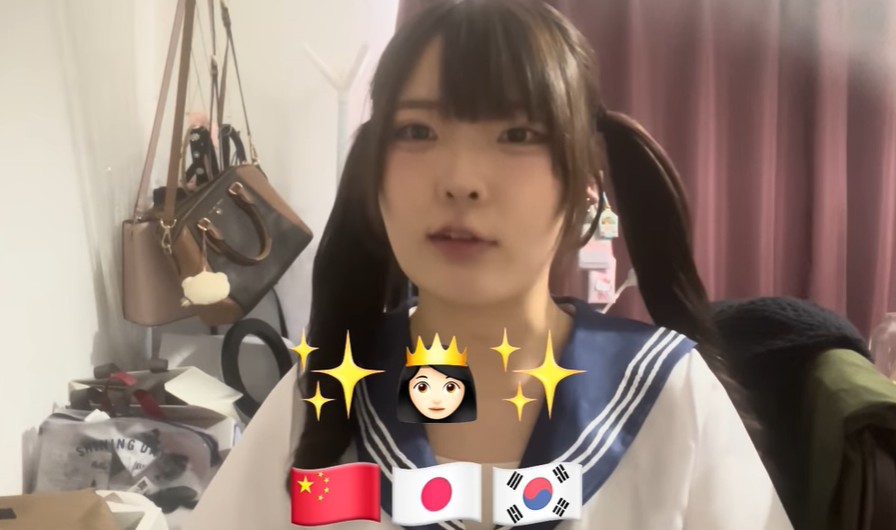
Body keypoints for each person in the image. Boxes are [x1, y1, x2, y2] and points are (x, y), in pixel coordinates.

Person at [186, 0, 793, 528]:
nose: (460, 180)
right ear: (375, 171)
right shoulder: (325, 391)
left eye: (517, 135)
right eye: (418, 131)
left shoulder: (664, 394)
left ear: (584, 177)